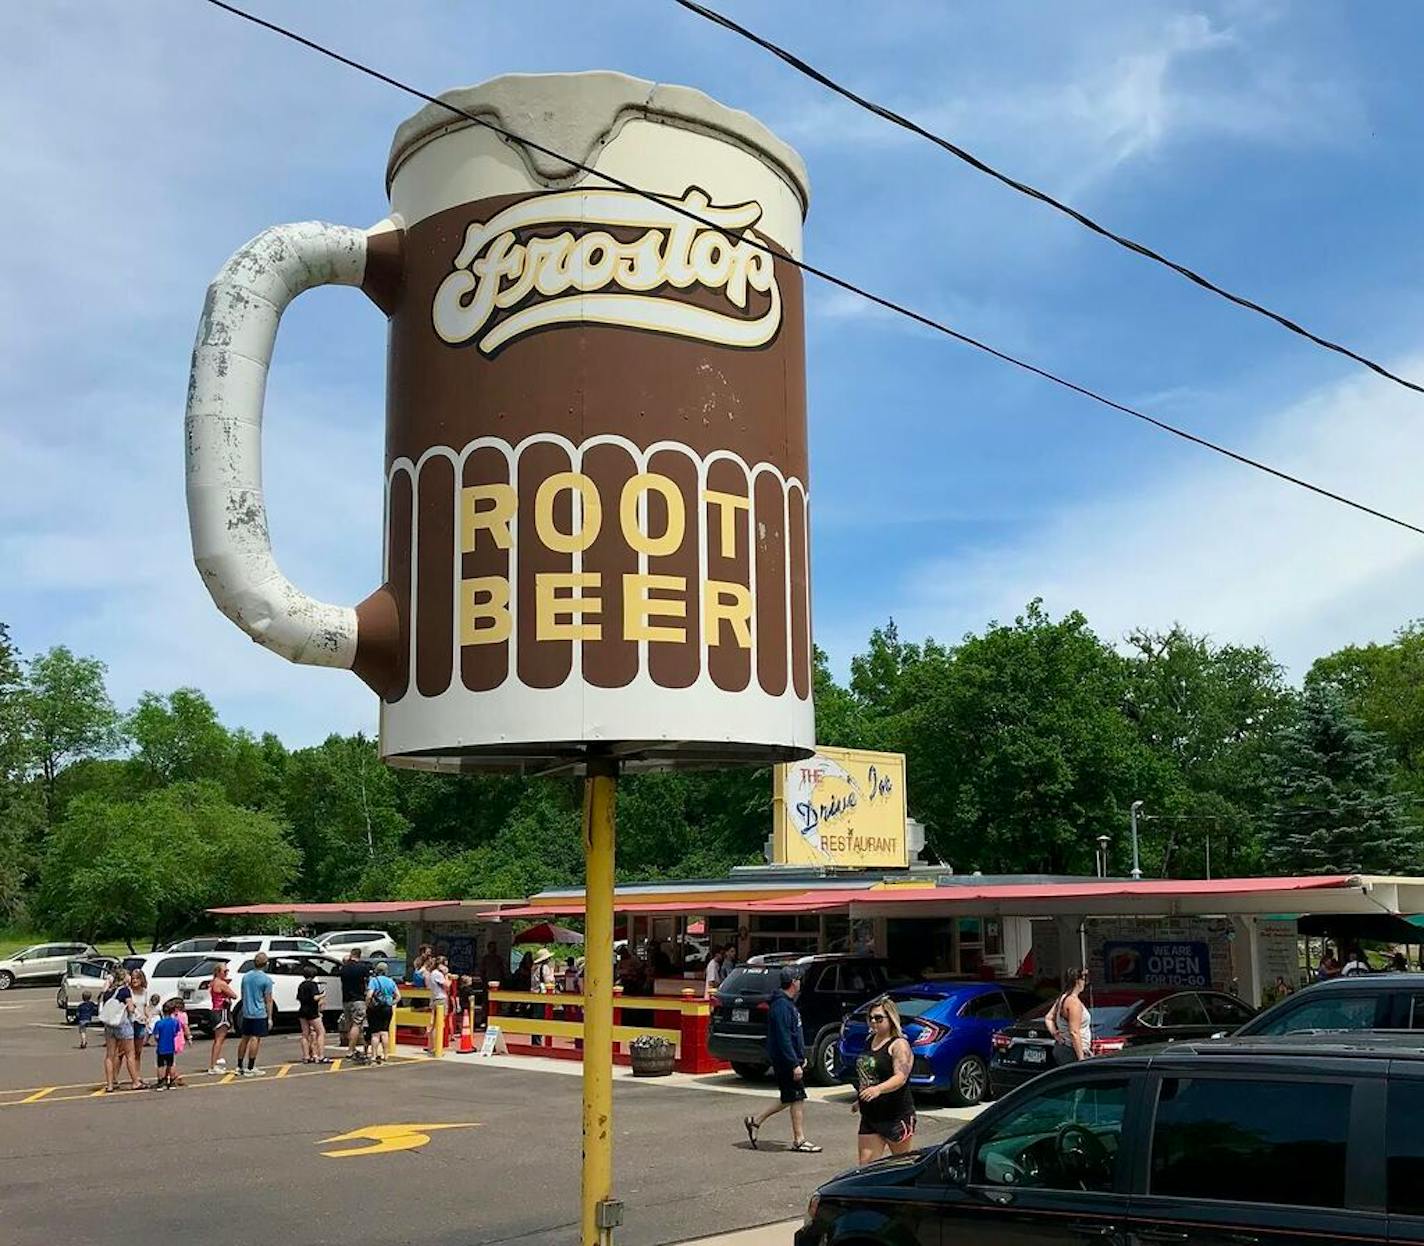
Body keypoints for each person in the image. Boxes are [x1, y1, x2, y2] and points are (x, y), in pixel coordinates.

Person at [743, 968, 820, 1153]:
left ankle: (756, 1121)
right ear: (794, 982)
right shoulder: (781, 1007)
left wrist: (800, 1058)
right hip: (785, 1061)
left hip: (790, 1058)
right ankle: (799, 1139)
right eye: (799, 979)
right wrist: (794, 1063)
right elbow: (784, 1037)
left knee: (791, 1097)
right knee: (796, 1096)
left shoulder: (786, 1004)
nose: (800, 982)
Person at [853, 996, 917, 1164]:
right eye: (871, 1018)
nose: (874, 1022)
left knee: (900, 1165)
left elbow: (901, 1077)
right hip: (871, 1116)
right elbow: (870, 1074)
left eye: (879, 1018)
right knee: (865, 1168)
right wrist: (862, 1097)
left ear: (891, 1018)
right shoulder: (870, 1041)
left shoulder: (899, 1045)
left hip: (895, 1115)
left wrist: (878, 1090)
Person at [99, 969, 142, 1092]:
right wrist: (134, 1007)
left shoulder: (109, 991)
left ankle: (110, 1084)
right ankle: (135, 1081)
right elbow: (130, 1009)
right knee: (130, 1054)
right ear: (124, 978)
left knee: (110, 1055)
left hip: (109, 1024)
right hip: (122, 1024)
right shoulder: (124, 991)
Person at [235, 951, 275, 1077]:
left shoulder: (246, 977)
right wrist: (269, 1017)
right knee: (255, 1038)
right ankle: (250, 1067)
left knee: (244, 1038)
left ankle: (239, 1065)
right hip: (259, 1012)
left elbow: (243, 994)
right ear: (266, 964)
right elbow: (268, 1000)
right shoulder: (266, 980)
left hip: (247, 1011)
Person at [1046, 968, 1092, 1064]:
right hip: (1072, 1051)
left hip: (1063, 1048)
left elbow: (1048, 1018)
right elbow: (1074, 1032)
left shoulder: (1063, 998)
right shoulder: (1073, 1003)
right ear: (1077, 981)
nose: (1085, 983)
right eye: (1084, 979)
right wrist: (1081, 1059)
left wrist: (1055, 1033)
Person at [339, 946, 371, 1063]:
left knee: (349, 1024)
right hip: (358, 999)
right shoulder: (362, 968)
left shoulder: (344, 968)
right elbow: (368, 980)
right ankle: (350, 1050)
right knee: (357, 1024)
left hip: (346, 999)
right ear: (359, 955)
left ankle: (353, 1048)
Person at [366, 960, 401, 1064]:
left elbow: (369, 995)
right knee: (385, 1032)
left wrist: (368, 1004)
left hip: (376, 1008)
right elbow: (398, 996)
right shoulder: (391, 981)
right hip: (387, 1008)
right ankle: (386, 1054)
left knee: (375, 1034)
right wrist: (391, 1002)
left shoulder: (374, 980)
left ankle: (373, 1055)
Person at [207, 961, 239, 1074]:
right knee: (219, 1040)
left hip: (216, 1011)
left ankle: (215, 1062)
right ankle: (213, 1065)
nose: (226, 973)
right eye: (225, 971)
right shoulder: (221, 983)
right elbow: (234, 995)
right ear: (218, 972)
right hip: (222, 1012)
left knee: (218, 1040)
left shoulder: (213, 982)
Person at [296, 963, 327, 1064]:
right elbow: (315, 998)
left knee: (305, 1034)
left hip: (302, 1010)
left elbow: (298, 998)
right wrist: (322, 995)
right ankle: (321, 1055)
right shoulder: (312, 984)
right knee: (321, 1032)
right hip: (312, 1011)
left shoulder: (301, 985)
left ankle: (306, 1056)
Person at [151, 1001, 184, 1090]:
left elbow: (157, 1036)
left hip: (161, 1047)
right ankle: (172, 1081)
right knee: (171, 1064)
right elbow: (176, 1032)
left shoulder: (159, 1023)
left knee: (160, 1065)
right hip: (171, 1047)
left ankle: (161, 1082)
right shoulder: (175, 1022)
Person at [425, 955, 450, 1052]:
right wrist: (447, 975)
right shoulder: (438, 974)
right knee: (438, 1024)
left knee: (434, 1023)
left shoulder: (432, 973)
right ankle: (436, 1046)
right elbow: (447, 985)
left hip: (434, 998)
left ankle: (431, 1046)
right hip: (441, 999)